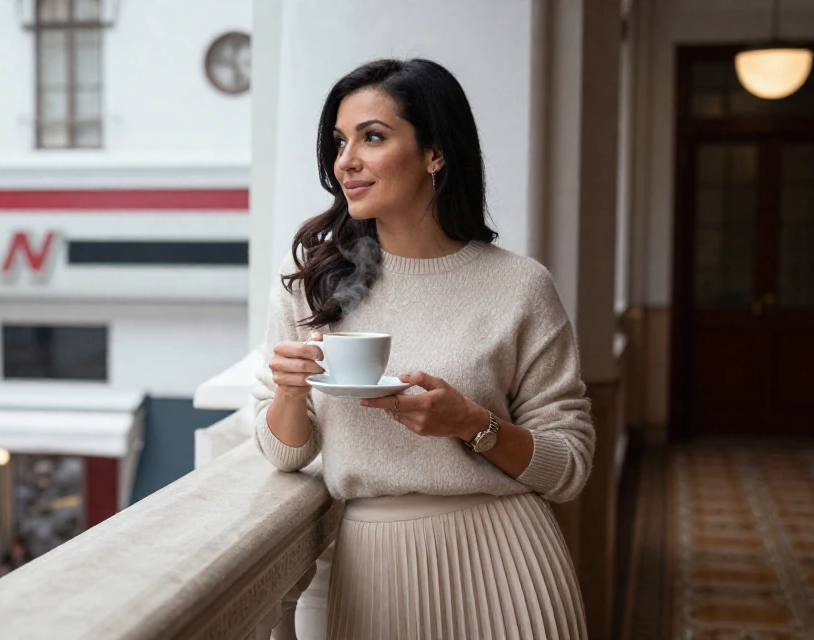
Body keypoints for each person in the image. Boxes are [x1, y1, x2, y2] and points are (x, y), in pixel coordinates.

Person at [254, 58, 593, 639]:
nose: (346, 162)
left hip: (510, 562)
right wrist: (288, 389)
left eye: (373, 137)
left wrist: (471, 423)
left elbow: (570, 467)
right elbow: (286, 454)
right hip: (374, 569)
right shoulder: (313, 280)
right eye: (340, 142)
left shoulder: (520, 285)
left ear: (435, 153)